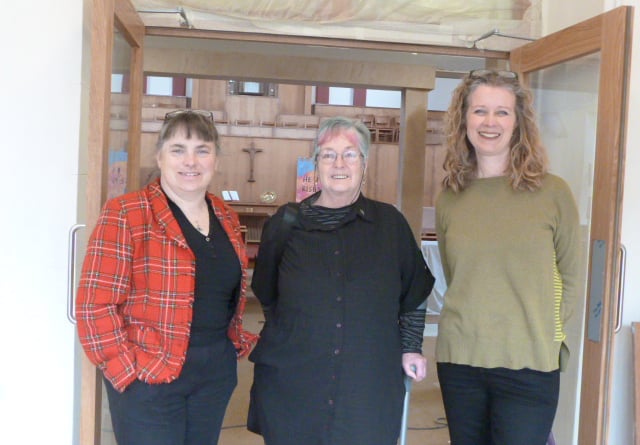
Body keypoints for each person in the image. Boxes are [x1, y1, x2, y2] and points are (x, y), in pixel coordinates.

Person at [247, 116, 435, 445]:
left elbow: (414, 292)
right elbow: (267, 292)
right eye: (328, 154)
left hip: (367, 385)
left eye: (350, 154)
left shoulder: (389, 224)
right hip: (295, 381)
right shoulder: (284, 224)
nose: (339, 163)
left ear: (364, 163)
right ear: (315, 163)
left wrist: (410, 348)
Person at [76, 109, 258, 445]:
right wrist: (126, 372)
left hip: (213, 374)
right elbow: (94, 306)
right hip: (150, 375)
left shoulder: (226, 216)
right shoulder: (127, 212)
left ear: (215, 159)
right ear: (160, 156)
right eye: (178, 149)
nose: (191, 161)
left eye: (202, 150)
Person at [435, 69, 581, 445]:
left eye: (502, 112)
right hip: (461, 360)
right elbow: (458, 276)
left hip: (529, 363)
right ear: (463, 119)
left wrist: (551, 340)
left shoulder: (552, 192)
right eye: (480, 110)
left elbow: (572, 278)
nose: (489, 122)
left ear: (519, 123)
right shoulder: (450, 196)